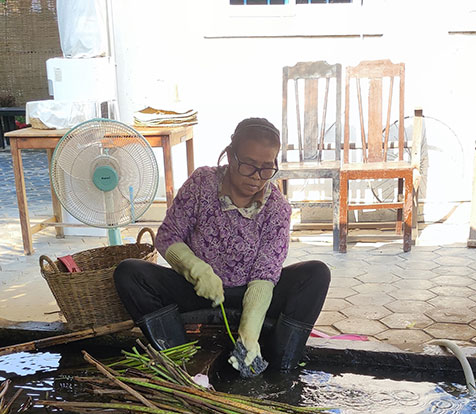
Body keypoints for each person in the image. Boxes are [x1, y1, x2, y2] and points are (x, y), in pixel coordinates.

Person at [113, 117, 329, 375]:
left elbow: (264, 275)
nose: (256, 177)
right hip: (198, 290)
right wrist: (195, 269)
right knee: (129, 273)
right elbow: (168, 235)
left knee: (316, 274)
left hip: (251, 293)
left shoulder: (277, 208)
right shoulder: (201, 183)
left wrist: (248, 332)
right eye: (248, 165)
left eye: (266, 168)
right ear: (230, 156)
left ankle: (279, 366)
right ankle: (180, 361)